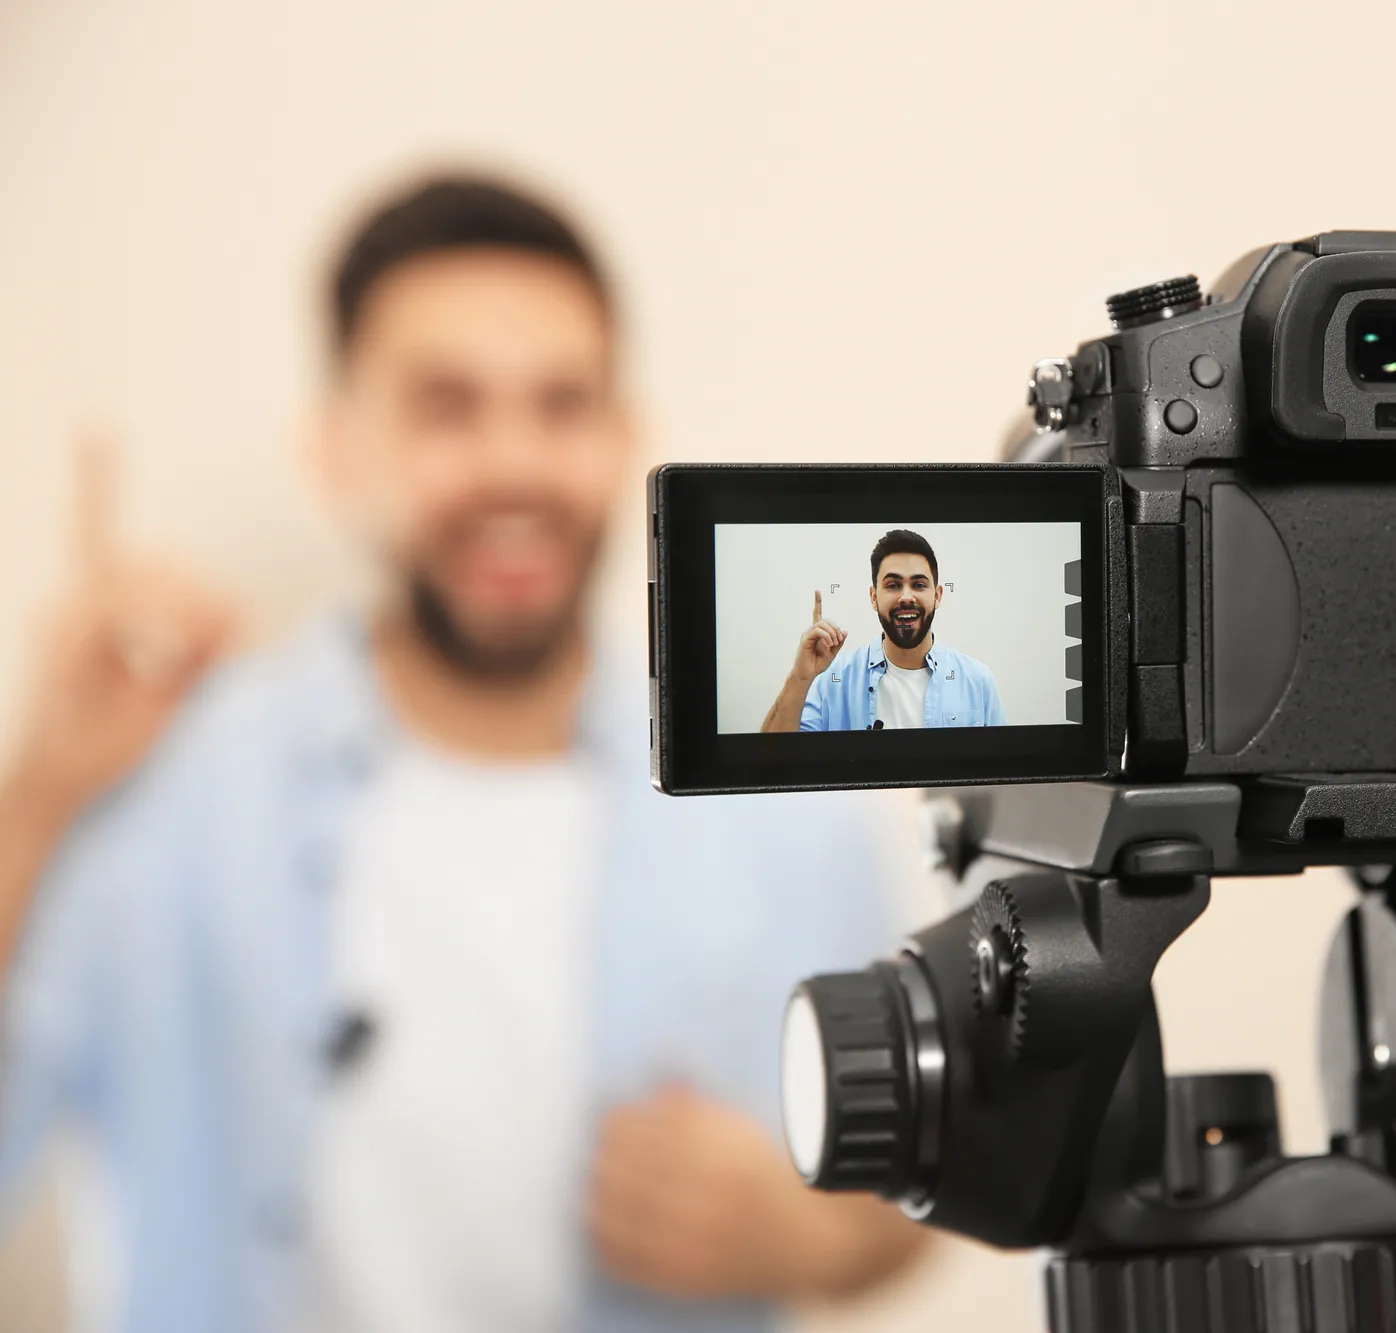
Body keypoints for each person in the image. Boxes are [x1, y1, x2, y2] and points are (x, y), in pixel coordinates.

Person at [0, 175, 925, 1333]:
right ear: (336, 447)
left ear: (626, 440)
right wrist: (33, 798)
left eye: (559, 404)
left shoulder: (789, 803)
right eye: (446, 406)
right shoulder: (165, 787)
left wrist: (804, 1234)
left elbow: (910, 1200)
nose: (512, 465)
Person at [760, 530, 1004, 732]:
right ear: (874, 597)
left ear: (937, 596)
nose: (906, 597)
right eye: (893, 585)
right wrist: (800, 678)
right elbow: (771, 764)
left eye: (919, 585)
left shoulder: (978, 681)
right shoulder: (832, 683)